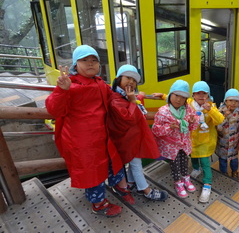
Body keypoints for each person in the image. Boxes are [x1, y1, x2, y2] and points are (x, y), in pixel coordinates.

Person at [46, 45, 132, 217]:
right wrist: (61, 90)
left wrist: (137, 97)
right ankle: (98, 204)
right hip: (83, 141)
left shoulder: (99, 82)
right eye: (84, 60)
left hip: (104, 136)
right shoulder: (70, 84)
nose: (90, 64)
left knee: (112, 162)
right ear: (75, 64)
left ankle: (118, 186)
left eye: (94, 60)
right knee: (92, 172)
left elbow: (113, 97)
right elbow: (54, 110)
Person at [107, 64, 168, 201]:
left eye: (134, 80)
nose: (131, 82)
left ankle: (130, 183)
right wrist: (134, 101)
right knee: (136, 165)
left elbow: (133, 107)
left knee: (134, 164)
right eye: (128, 77)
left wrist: (136, 98)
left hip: (132, 138)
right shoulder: (115, 100)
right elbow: (129, 118)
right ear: (118, 79)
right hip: (128, 140)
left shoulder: (122, 97)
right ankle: (146, 190)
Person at [152, 80, 199, 198]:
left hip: (184, 143)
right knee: (175, 164)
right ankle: (178, 183)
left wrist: (193, 121)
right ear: (170, 95)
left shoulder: (188, 110)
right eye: (176, 95)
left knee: (184, 161)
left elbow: (192, 127)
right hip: (171, 146)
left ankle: (186, 179)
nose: (178, 99)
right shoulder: (163, 112)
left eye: (182, 97)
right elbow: (156, 130)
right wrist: (169, 128)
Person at [188, 81, 224, 203]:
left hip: (205, 141)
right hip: (191, 140)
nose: (201, 96)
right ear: (193, 95)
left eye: (204, 93)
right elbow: (176, 98)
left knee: (205, 162)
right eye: (198, 93)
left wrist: (210, 111)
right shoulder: (189, 104)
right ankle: (196, 169)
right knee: (192, 156)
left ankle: (207, 184)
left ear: (208, 95)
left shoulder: (211, 106)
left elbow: (220, 120)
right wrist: (162, 96)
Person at [216, 89, 239, 180]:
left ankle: (234, 171)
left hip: (234, 144)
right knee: (222, 160)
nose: (233, 103)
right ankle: (223, 173)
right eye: (230, 100)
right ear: (225, 101)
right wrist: (224, 117)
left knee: (234, 160)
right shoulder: (220, 112)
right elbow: (218, 128)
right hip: (222, 143)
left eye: (236, 101)